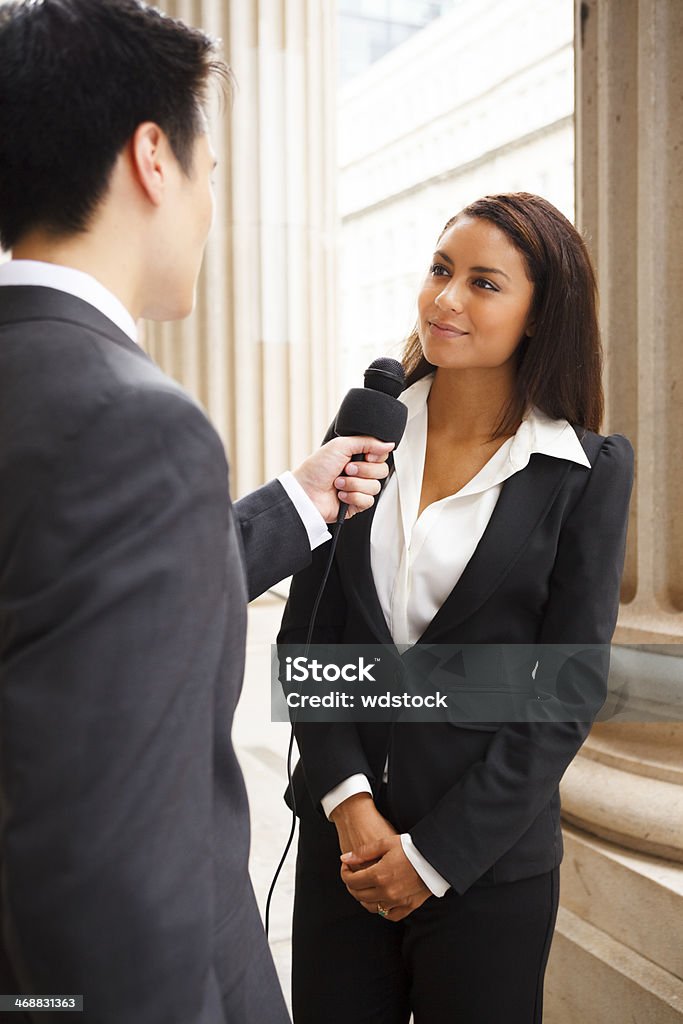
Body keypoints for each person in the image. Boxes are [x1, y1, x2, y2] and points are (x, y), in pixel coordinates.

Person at [0, 2, 393, 1022]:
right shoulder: (136, 426)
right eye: (211, 170)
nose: (214, 203)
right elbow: (113, 862)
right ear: (152, 160)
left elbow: (52, 611)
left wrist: (292, 505)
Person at [278, 192, 634, 1024]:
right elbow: (309, 635)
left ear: (541, 316)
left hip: (485, 868)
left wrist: (433, 857)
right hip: (344, 849)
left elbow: (564, 692)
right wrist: (351, 806)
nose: (445, 299)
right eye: (441, 270)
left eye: (483, 283)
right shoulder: (366, 431)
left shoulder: (584, 471)